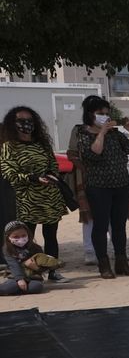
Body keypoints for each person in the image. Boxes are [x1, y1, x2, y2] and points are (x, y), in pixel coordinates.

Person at [73, 96, 129, 279]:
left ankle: (121, 262)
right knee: (100, 225)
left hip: (120, 184)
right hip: (98, 186)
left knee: (119, 226)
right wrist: (101, 132)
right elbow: (93, 154)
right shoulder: (84, 133)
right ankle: (103, 264)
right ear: (90, 114)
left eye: (106, 113)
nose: (104, 116)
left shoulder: (116, 134)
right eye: (100, 114)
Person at [0, 106, 69, 277]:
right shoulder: (8, 147)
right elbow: (9, 173)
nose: (26, 124)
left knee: (51, 236)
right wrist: (33, 178)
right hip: (26, 199)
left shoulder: (42, 144)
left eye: (29, 120)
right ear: (12, 124)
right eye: (21, 121)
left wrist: (51, 176)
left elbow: (53, 165)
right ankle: (29, 272)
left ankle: (53, 271)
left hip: (49, 197)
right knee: (25, 239)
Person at [3, 219, 59, 296]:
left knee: (36, 287)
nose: (20, 239)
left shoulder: (36, 248)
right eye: (16, 237)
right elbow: (13, 265)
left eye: (23, 236)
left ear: (28, 234)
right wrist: (20, 279)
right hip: (15, 276)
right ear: (8, 237)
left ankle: (18, 290)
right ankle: (16, 288)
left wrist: (35, 267)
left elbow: (43, 265)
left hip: (33, 277)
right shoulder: (7, 249)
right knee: (9, 287)